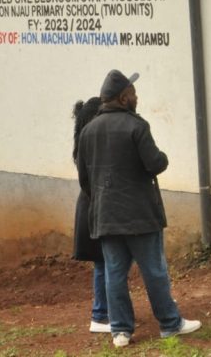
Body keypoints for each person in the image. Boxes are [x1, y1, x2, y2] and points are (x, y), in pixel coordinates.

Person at [76, 70, 201, 348]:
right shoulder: (137, 126)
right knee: (154, 270)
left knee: (114, 273)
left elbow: (85, 180)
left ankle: (120, 331)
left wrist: (103, 199)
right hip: (140, 217)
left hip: (106, 217)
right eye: (132, 93)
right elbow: (155, 163)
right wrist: (165, 158)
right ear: (123, 98)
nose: (136, 97)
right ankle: (170, 324)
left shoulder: (88, 131)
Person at [72, 96, 110, 334]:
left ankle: (105, 313)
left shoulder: (83, 143)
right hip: (94, 209)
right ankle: (100, 315)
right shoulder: (90, 146)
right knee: (103, 264)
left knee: (106, 263)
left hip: (93, 208)